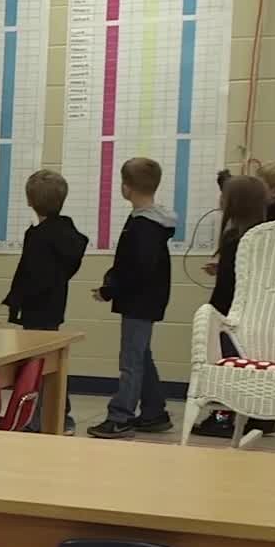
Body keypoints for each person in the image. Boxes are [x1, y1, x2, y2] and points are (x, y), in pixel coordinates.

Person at [88, 158, 176, 439]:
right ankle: (154, 412)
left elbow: (135, 268)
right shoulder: (148, 220)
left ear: (126, 187)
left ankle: (120, 417)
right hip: (145, 299)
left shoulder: (144, 226)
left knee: (131, 360)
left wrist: (109, 289)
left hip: (140, 300)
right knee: (141, 355)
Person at [1, 169, 88, 434]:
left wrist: (19, 299)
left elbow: (31, 274)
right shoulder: (66, 232)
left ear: (30, 200)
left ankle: (41, 420)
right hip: (54, 305)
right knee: (52, 363)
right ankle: (63, 414)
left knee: (37, 367)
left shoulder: (39, 237)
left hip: (37, 309)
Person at [194, 174, 275, 439]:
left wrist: (215, 315)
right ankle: (262, 418)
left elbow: (229, 286)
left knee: (227, 368)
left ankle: (222, 418)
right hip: (260, 313)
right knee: (254, 368)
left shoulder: (234, 238)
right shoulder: (266, 235)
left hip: (231, 313)